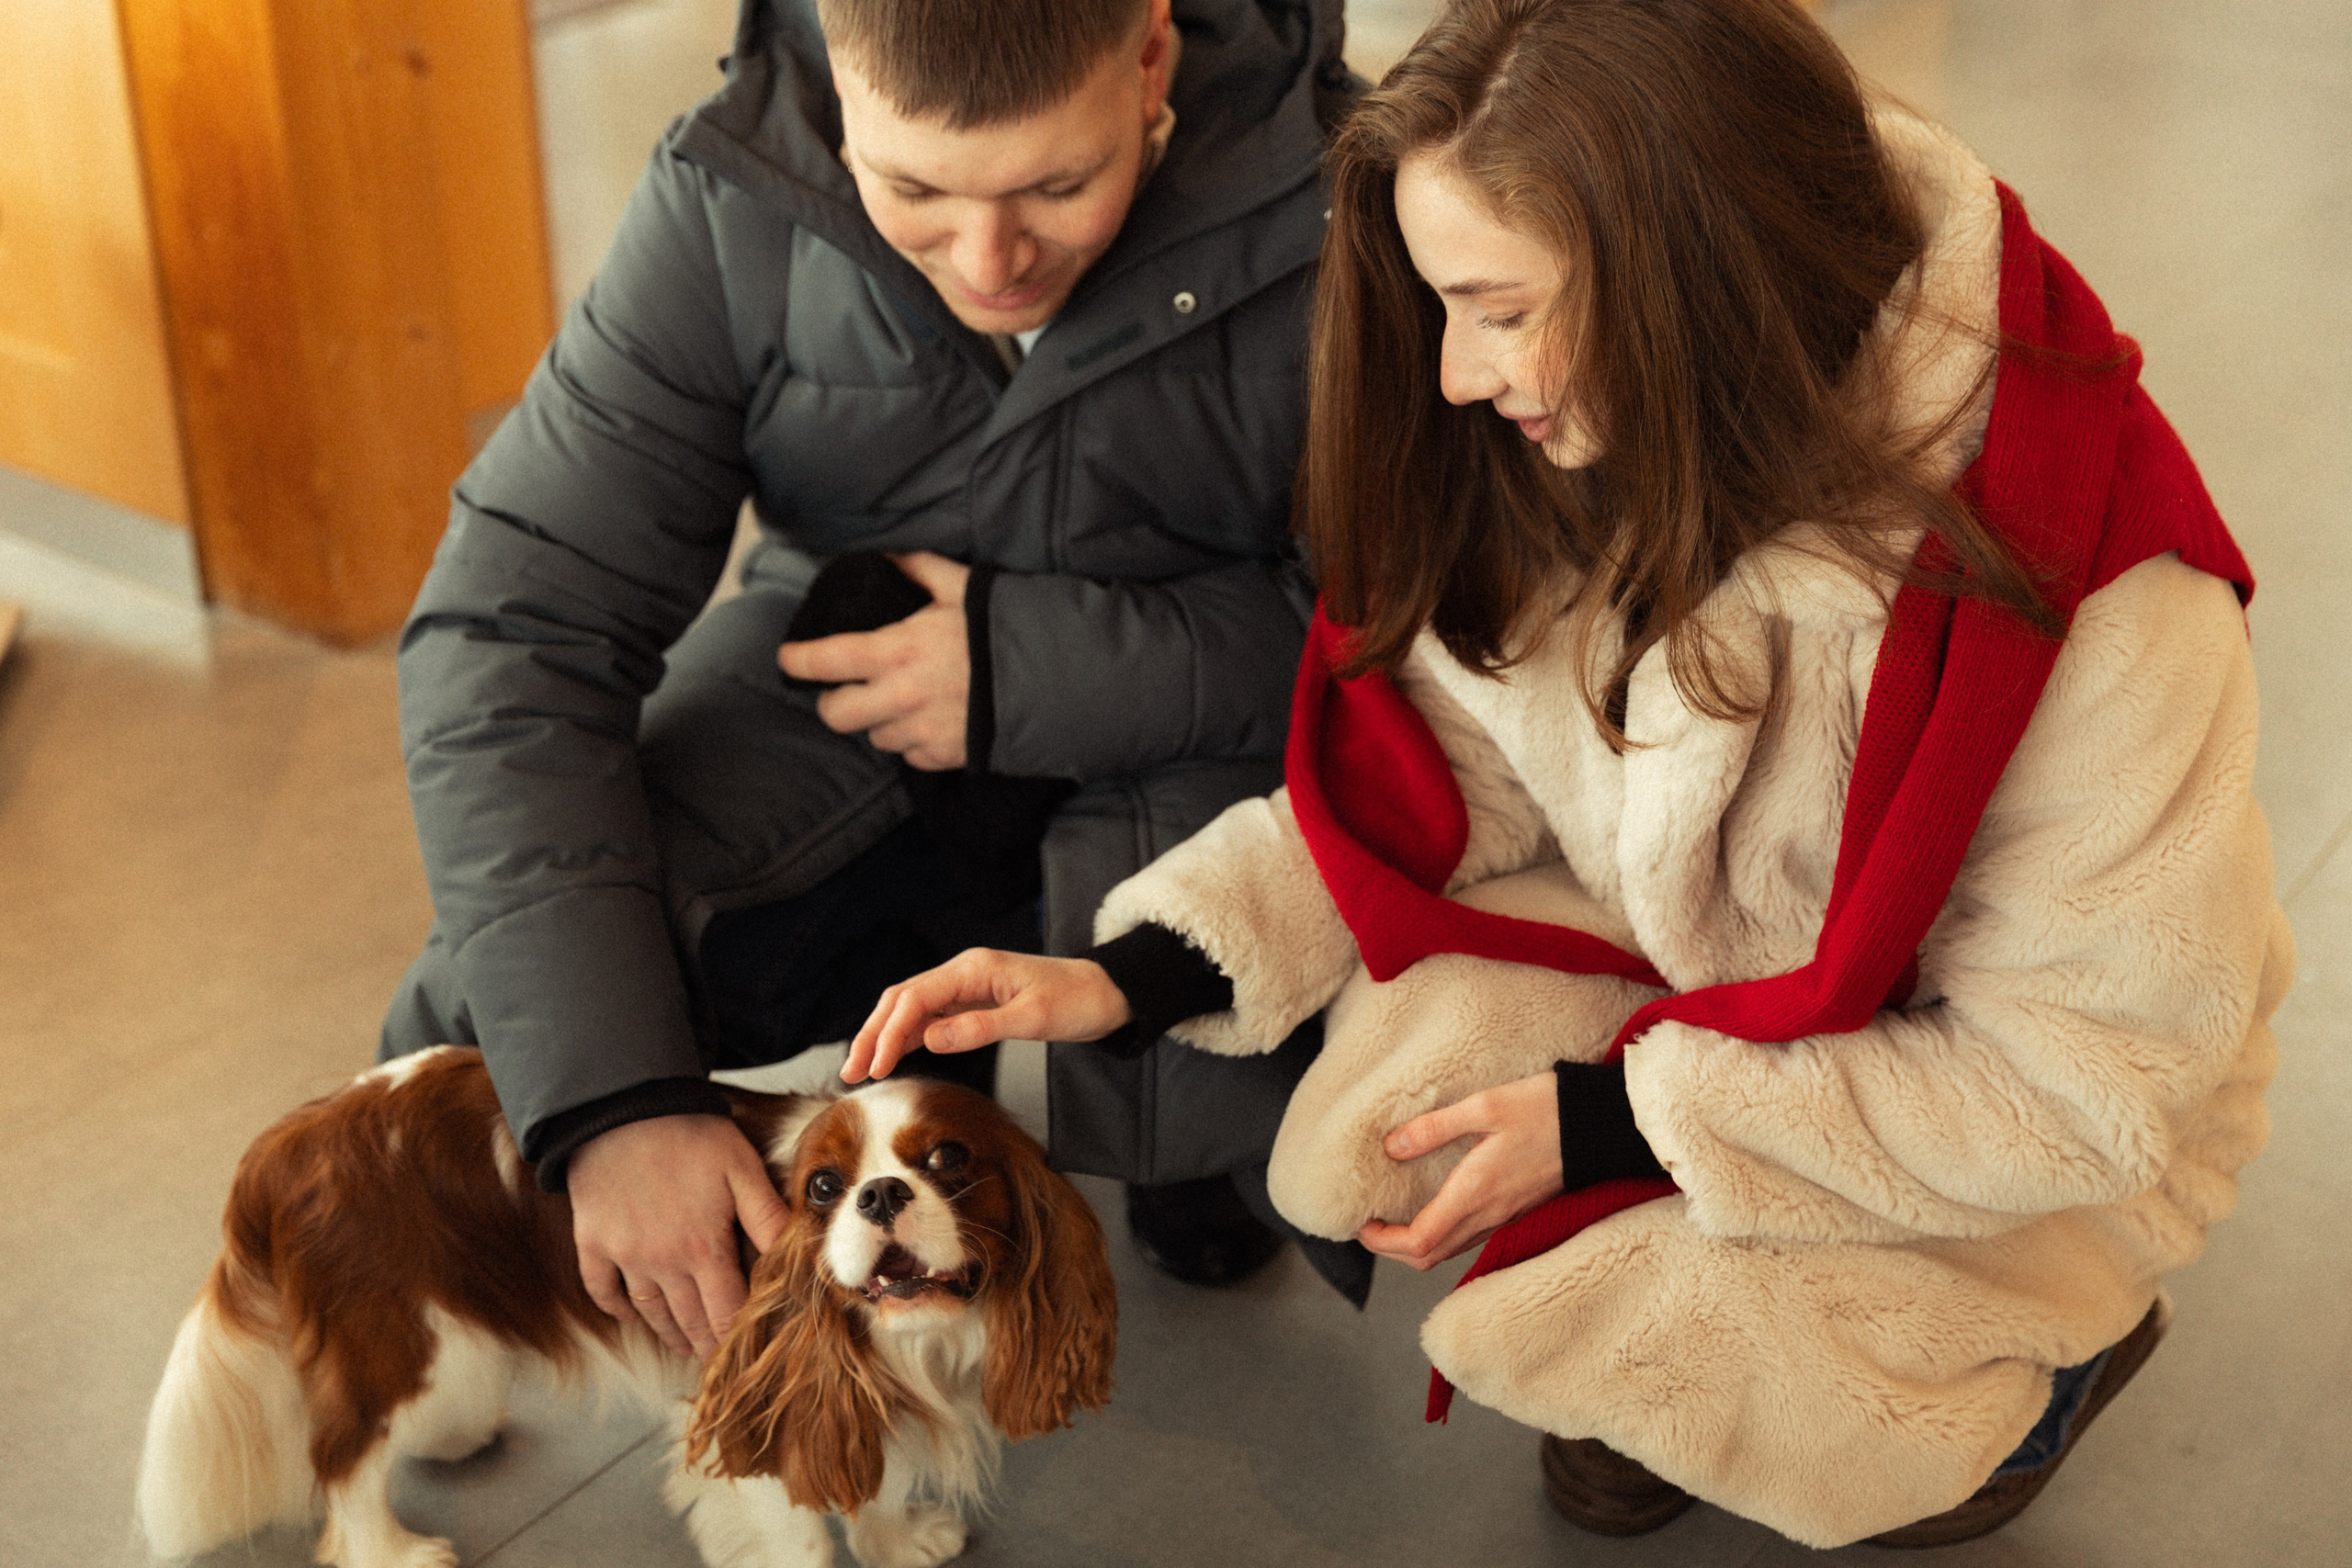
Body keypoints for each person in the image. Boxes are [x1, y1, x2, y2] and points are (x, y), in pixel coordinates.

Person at [841, 0, 2291, 1549]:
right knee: (1380, 1115)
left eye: (1498, 308)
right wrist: (1124, 972)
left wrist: (1616, 1127)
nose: (1459, 375)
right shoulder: (1582, 440)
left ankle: (2042, 1371)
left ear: (1686, 291)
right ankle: (1671, 1331)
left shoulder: (2101, 581)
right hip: (1736, 990)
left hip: (2019, 1119)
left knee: (1822, 1421)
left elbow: (2082, 1082)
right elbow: (1457, 763)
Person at [382, 0, 1367, 1365]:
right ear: (840, 94)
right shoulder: (733, 188)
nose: (990, 261)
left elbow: (1445, 642)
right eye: (912, 189)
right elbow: (513, 624)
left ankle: (1182, 1144)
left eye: (1057, 185)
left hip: (1204, 753)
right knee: (499, 1011)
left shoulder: (1356, 199)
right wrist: (612, 1097)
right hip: (847, 693)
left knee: (1309, 1044)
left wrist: (1029, 670)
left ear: (1151, 60)